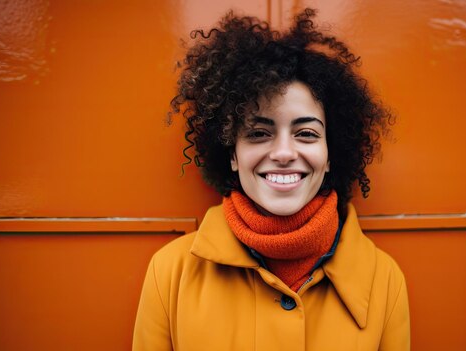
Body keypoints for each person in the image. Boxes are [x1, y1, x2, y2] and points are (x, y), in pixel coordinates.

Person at [133, 8, 409, 351]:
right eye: (259, 133)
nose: (282, 152)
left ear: (330, 155)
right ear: (232, 155)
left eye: (306, 133)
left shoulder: (385, 280)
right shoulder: (169, 273)